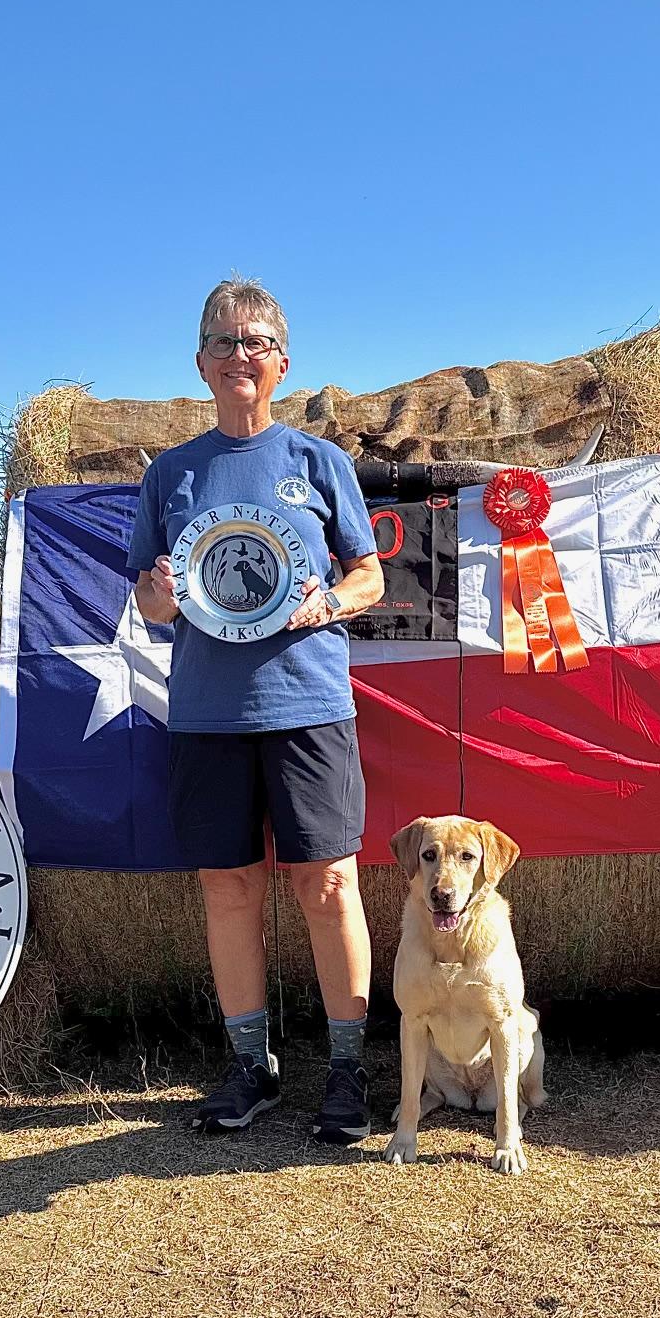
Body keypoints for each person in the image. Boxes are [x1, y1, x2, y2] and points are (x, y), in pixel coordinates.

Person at [127, 277, 386, 1145]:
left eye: (256, 342)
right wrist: (161, 594)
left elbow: (369, 576)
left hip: (309, 704)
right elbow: (151, 603)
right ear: (201, 363)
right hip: (207, 715)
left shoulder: (319, 462)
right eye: (224, 342)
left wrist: (330, 601)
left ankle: (348, 1070)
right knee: (229, 888)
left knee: (329, 884)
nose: (241, 355)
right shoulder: (170, 473)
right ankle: (251, 1066)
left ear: (282, 363)